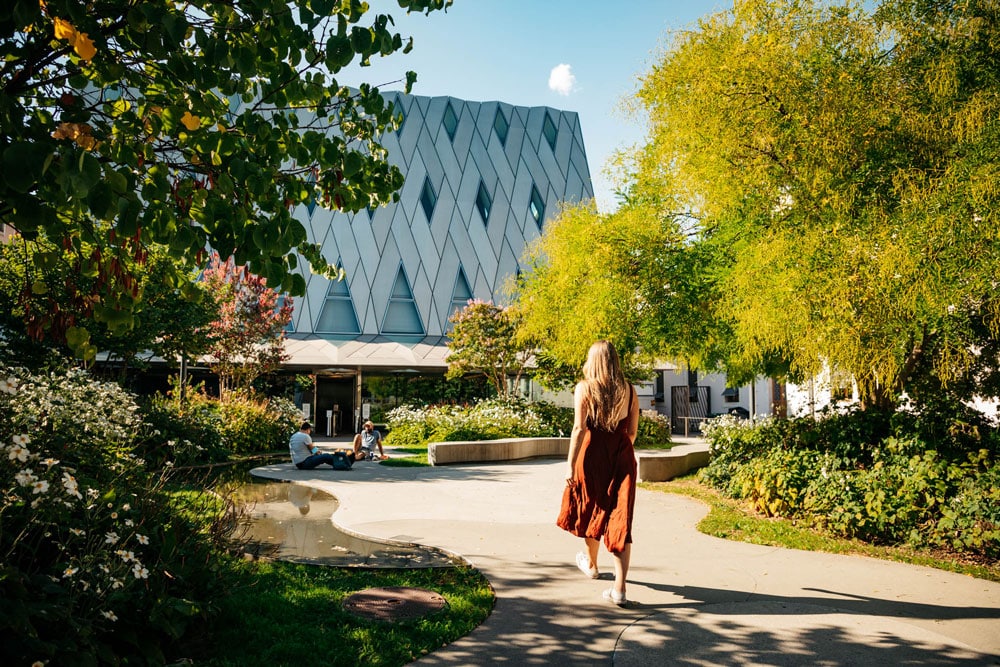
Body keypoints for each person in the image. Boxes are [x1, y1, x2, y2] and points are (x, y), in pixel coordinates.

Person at [557, 340, 639, 607]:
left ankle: (591, 565)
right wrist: (620, 453)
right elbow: (632, 432)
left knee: (592, 508)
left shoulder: (585, 388)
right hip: (623, 458)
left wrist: (570, 465)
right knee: (620, 520)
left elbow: (579, 429)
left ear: (593, 361)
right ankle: (620, 589)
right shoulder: (629, 390)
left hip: (592, 458)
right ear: (615, 360)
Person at [288, 422, 354, 470]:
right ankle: (342, 463)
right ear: (308, 429)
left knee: (324, 457)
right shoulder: (305, 436)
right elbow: (312, 449)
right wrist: (318, 452)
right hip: (305, 462)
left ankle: (341, 462)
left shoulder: (294, 436)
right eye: (310, 431)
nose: (309, 432)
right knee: (326, 456)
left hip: (297, 463)